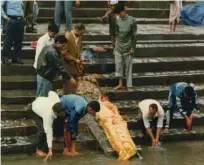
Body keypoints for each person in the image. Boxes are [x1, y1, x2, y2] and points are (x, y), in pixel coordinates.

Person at [32, 91, 65, 160]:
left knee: (59, 120)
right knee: (42, 130)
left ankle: (57, 137)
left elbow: (51, 92)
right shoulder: (48, 115)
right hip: (35, 108)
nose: (63, 114)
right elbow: (49, 132)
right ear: (56, 112)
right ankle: (39, 150)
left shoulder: (58, 102)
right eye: (61, 113)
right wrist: (50, 150)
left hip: (42, 101)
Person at [113, 4, 137, 92]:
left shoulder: (132, 20)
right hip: (119, 46)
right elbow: (116, 34)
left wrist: (133, 48)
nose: (119, 15)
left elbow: (134, 36)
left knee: (128, 67)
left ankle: (129, 85)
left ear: (124, 11)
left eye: (120, 13)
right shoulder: (117, 20)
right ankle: (120, 84)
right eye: (118, 14)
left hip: (128, 47)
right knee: (118, 66)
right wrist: (115, 47)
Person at [62, 23, 85, 94]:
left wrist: (81, 57)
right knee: (68, 85)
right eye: (81, 32)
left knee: (75, 85)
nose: (82, 34)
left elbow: (80, 48)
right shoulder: (68, 37)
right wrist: (75, 60)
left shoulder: (80, 37)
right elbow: (64, 53)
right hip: (68, 65)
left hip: (76, 65)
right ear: (77, 30)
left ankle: (73, 97)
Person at [1, 0, 25, 65]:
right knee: (8, 40)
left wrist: (23, 17)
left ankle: (16, 57)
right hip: (11, 19)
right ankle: (5, 57)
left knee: (19, 40)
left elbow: (21, 7)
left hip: (20, 20)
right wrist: (6, 17)